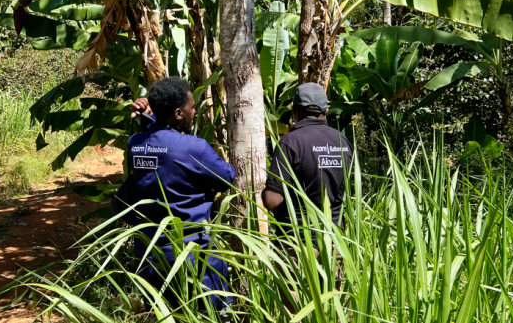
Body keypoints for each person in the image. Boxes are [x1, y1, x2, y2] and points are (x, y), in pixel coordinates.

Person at [126, 77, 236, 311]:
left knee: (161, 313)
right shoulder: (193, 147)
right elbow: (227, 177)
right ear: (178, 113)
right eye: (192, 107)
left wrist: (149, 120)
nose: (194, 111)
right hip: (191, 256)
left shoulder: (135, 143)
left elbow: (156, 146)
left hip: (149, 254)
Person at [261, 82, 353, 248]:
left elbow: (272, 200)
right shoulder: (342, 141)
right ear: (325, 111)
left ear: (294, 109)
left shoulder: (291, 142)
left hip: (298, 246)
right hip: (336, 245)